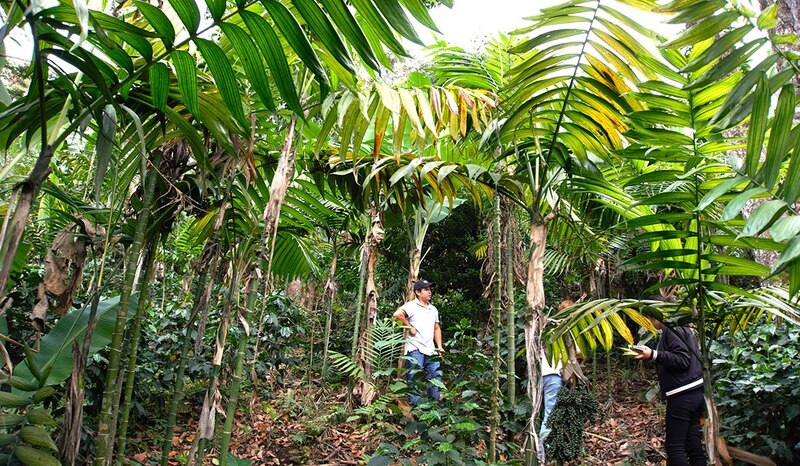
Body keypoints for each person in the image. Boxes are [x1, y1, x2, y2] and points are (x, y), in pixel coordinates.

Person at [635, 299, 706, 466]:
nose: (650, 322)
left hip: (683, 395)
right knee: (692, 444)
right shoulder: (682, 328)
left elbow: (683, 360)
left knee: (674, 446)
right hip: (694, 393)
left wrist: (653, 354)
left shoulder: (672, 329)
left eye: (650, 318)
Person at [393, 279, 444, 405]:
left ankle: (434, 406)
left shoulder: (433, 309)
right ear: (417, 292)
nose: (429, 292)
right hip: (415, 348)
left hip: (430, 349)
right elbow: (397, 314)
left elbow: (436, 328)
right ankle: (416, 408)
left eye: (430, 289)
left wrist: (440, 347)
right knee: (414, 378)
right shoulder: (411, 306)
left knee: (436, 376)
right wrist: (410, 327)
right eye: (426, 289)